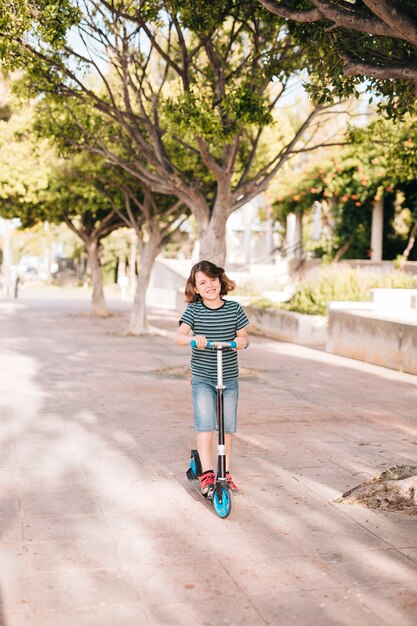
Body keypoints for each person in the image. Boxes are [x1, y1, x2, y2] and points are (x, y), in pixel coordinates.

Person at [176, 260, 249, 495]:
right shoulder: (194, 310)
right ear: (195, 288)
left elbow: (244, 337)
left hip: (228, 377)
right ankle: (207, 472)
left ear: (220, 281)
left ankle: (224, 472)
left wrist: (240, 341)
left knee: (226, 428)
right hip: (203, 378)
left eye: (213, 280)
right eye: (203, 282)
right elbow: (179, 337)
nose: (209, 286)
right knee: (206, 426)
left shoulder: (234, 309)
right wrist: (193, 339)